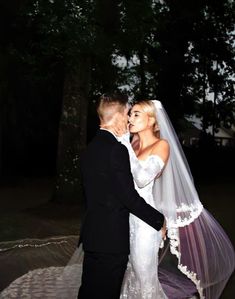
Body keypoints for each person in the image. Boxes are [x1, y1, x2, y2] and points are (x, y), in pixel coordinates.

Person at [117, 100, 234, 299]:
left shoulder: (161, 145)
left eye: (136, 114)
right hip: (125, 219)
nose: (129, 118)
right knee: (130, 273)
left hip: (145, 223)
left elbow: (142, 178)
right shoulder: (133, 145)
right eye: (131, 113)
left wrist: (125, 143)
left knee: (144, 278)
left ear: (152, 120)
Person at [77, 94, 166, 299]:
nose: (129, 119)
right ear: (118, 116)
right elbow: (127, 196)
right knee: (107, 291)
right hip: (112, 238)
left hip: (93, 235)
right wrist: (158, 219)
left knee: (89, 289)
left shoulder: (89, 148)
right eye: (128, 113)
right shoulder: (116, 149)